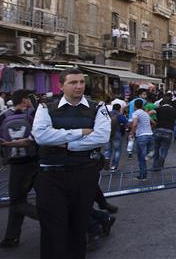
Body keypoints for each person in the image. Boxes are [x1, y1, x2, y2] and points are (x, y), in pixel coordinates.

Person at [32, 68, 111, 259]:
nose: (78, 86)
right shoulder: (45, 107)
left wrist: (65, 144)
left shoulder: (97, 107)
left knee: (79, 227)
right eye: (73, 82)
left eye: (81, 82)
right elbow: (41, 136)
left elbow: (102, 136)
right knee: (53, 229)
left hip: (84, 175)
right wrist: (80, 133)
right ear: (61, 86)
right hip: (51, 176)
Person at [0, 89, 39, 248]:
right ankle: (11, 237)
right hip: (36, 162)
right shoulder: (34, 114)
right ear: (25, 100)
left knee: (17, 201)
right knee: (49, 197)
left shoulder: (3, 116)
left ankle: (12, 237)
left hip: (16, 165)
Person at [152, 99, 176, 170]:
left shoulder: (158, 109)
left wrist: (153, 122)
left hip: (158, 130)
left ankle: (155, 166)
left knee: (156, 148)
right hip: (169, 131)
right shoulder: (174, 110)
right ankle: (162, 159)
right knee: (164, 148)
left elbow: (149, 113)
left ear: (161, 104)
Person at [130, 99, 153, 181]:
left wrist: (132, 133)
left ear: (135, 106)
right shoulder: (145, 113)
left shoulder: (136, 113)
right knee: (146, 155)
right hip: (150, 135)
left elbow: (135, 124)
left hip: (141, 137)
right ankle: (152, 153)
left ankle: (143, 176)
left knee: (141, 158)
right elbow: (152, 122)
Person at [104, 103, 128, 170]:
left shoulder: (107, 114)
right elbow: (126, 122)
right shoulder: (119, 115)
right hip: (117, 134)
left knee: (107, 150)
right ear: (119, 108)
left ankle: (106, 159)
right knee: (117, 150)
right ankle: (114, 166)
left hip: (107, 133)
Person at [126, 89, 148, 158]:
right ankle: (142, 151)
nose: (145, 96)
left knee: (131, 136)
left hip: (130, 120)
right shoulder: (144, 101)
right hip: (138, 120)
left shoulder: (131, 101)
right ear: (140, 95)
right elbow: (146, 111)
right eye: (144, 94)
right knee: (140, 135)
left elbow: (125, 107)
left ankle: (130, 151)